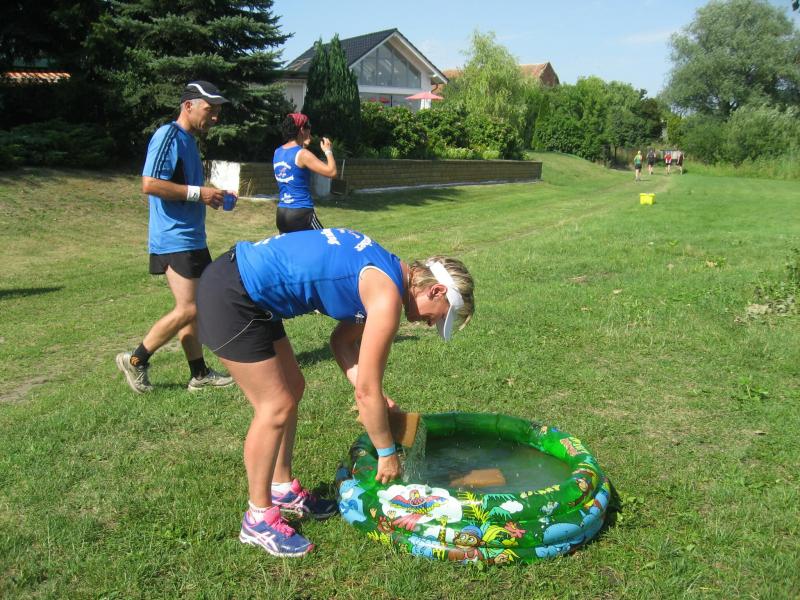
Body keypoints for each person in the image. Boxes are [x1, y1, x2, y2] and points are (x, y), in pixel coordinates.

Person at [196, 228, 475, 557]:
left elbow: (341, 342)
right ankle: (258, 518)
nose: (431, 324)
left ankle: (282, 489)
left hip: (246, 288)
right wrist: (387, 453)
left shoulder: (386, 273)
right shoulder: (386, 296)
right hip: (233, 295)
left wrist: (366, 389)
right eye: (439, 316)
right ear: (435, 290)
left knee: (293, 387)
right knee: (275, 406)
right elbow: (367, 393)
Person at [116, 81, 235, 394]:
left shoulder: (188, 141)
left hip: (191, 237)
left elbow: (184, 188)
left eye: (218, 112)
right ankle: (136, 359)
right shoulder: (167, 135)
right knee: (191, 308)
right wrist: (199, 193)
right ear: (188, 106)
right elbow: (150, 184)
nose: (215, 117)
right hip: (175, 238)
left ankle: (199, 373)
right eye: (210, 110)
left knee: (192, 307)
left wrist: (212, 195)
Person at [273, 113, 337, 233]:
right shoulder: (303, 154)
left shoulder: (278, 152)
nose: (310, 133)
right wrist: (328, 151)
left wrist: (303, 144)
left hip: (282, 214)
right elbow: (332, 172)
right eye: (309, 129)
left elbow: (294, 166)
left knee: (291, 245)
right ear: (302, 130)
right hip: (301, 213)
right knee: (325, 241)